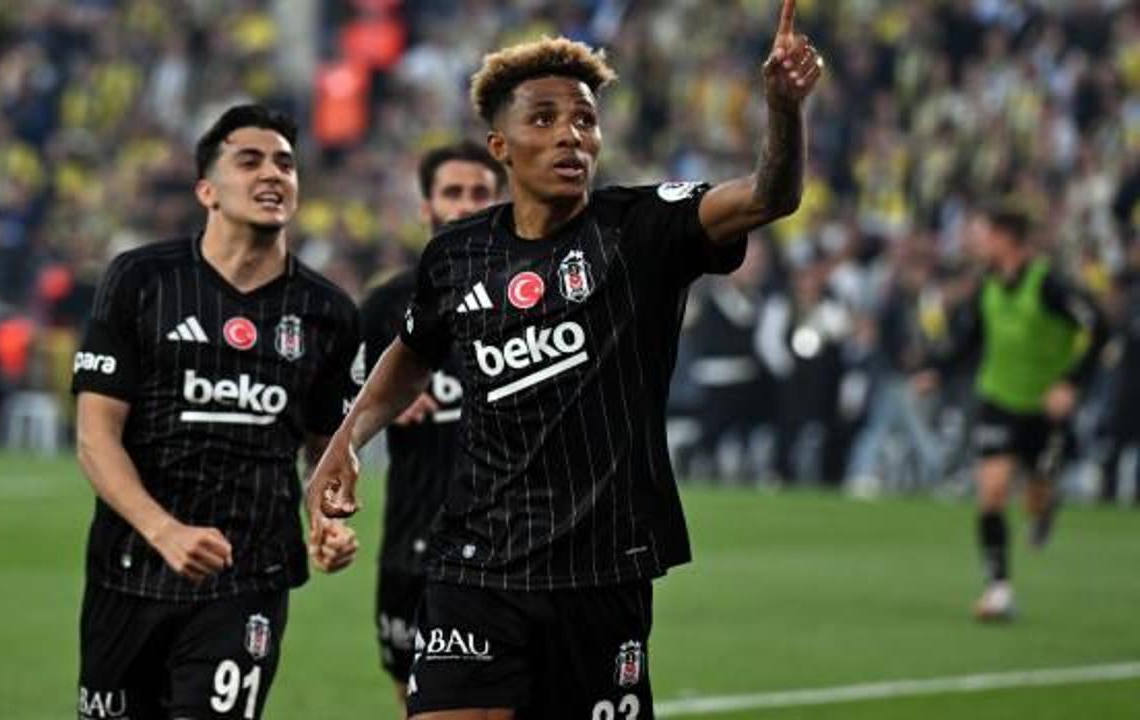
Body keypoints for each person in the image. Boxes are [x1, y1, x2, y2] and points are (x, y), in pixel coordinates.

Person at [308, 4, 822, 717]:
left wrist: (783, 110)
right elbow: (413, 350)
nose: (570, 136)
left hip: (600, 572)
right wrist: (348, 439)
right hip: (476, 565)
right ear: (501, 145)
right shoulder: (457, 254)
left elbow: (771, 195)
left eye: (584, 119)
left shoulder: (642, 228)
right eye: (545, 120)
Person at [71, 104, 360, 720]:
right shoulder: (139, 281)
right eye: (249, 161)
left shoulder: (329, 314)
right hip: (129, 571)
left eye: (285, 163)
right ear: (207, 190)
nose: (273, 174)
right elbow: (96, 437)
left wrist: (326, 517)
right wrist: (164, 531)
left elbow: (326, 450)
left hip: (248, 580)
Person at [361, 141, 505, 716]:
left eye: (479, 193)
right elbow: (334, 405)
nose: (465, 205)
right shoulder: (385, 307)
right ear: (425, 206)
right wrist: (381, 400)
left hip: (506, 542)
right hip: (412, 539)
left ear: (500, 200)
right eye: (452, 192)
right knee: (414, 701)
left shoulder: (532, 293)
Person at [914, 204, 1108, 622]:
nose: (978, 243)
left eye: (985, 235)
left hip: (1044, 407)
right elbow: (970, 340)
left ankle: (1045, 505)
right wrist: (937, 371)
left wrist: (1071, 382)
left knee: (1035, 497)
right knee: (992, 490)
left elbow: (1099, 326)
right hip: (998, 399)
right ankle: (998, 588)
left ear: (1007, 239)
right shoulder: (987, 286)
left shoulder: (1049, 285)